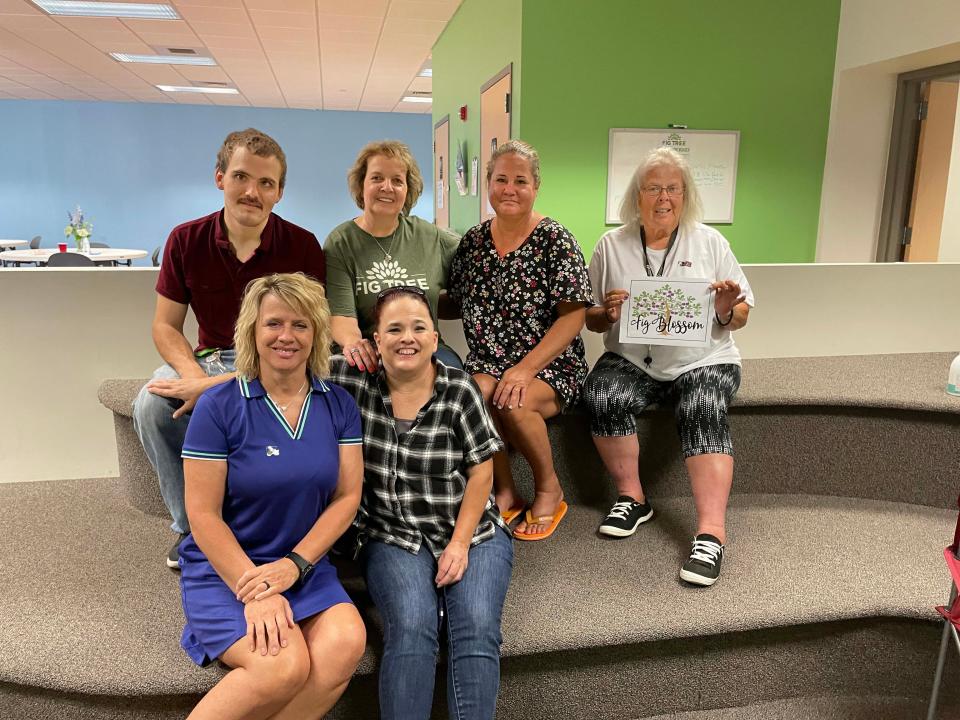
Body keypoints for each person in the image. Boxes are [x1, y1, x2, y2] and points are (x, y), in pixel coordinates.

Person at [133, 128, 326, 568]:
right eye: (241, 177)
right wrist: (195, 378)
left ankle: (259, 525)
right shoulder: (185, 240)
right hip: (206, 358)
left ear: (279, 192)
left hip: (277, 363)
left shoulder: (302, 246)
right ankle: (192, 528)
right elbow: (165, 326)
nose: (252, 192)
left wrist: (220, 386)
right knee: (149, 405)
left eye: (265, 183)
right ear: (220, 177)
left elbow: (307, 338)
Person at [179, 273, 366, 719]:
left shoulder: (337, 404)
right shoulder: (219, 405)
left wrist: (295, 565)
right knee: (282, 665)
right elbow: (202, 514)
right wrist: (257, 592)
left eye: (301, 325)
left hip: (301, 562)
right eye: (274, 323)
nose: (287, 336)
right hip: (229, 568)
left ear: (317, 334)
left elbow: (347, 496)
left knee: (346, 642)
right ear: (252, 331)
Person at [329, 286, 511, 720]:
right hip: (391, 534)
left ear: (434, 339)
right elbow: (284, 366)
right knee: (412, 627)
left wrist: (460, 544)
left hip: (472, 531)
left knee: (476, 630)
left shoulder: (459, 388)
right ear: (376, 340)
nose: (406, 337)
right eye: (393, 328)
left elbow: (482, 472)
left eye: (417, 328)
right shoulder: (352, 378)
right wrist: (210, 387)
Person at [583, 147, 754, 587]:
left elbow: (741, 313)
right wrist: (608, 313)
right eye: (653, 188)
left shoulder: (710, 242)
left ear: (686, 194)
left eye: (673, 188)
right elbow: (591, 317)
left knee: (700, 404)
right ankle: (632, 497)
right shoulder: (611, 245)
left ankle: (711, 533)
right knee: (601, 393)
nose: (664, 198)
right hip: (633, 358)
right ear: (637, 196)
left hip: (703, 358)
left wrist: (724, 308)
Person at [448, 139, 592, 541]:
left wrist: (525, 369)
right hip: (486, 359)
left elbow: (574, 316)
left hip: (547, 364)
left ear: (535, 187)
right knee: (475, 393)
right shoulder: (474, 242)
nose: (509, 189)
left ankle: (549, 486)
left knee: (513, 401)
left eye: (520, 181)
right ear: (489, 184)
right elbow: (452, 300)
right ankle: (505, 488)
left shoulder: (555, 240)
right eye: (501, 179)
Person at [324, 140, 461, 373]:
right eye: (377, 178)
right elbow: (342, 316)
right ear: (361, 185)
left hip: (426, 349)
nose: (387, 187)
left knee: (454, 378)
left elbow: (479, 263)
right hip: (370, 348)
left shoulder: (430, 237)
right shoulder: (341, 242)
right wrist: (354, 344)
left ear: (408, 190)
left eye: (397, 180)